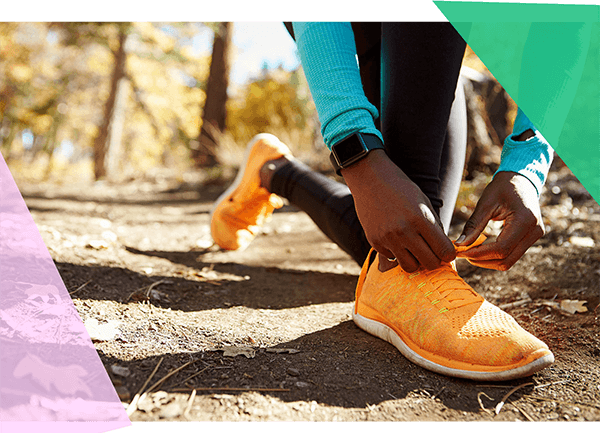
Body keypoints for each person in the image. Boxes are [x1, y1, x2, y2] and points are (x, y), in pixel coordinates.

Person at [210, 20, 555, 381]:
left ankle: (273, 171)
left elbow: (567, 26)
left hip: (428, 45)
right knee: (402, 245)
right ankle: (405, 278)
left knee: (400, 239)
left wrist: (526, 167)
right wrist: (358, 158)